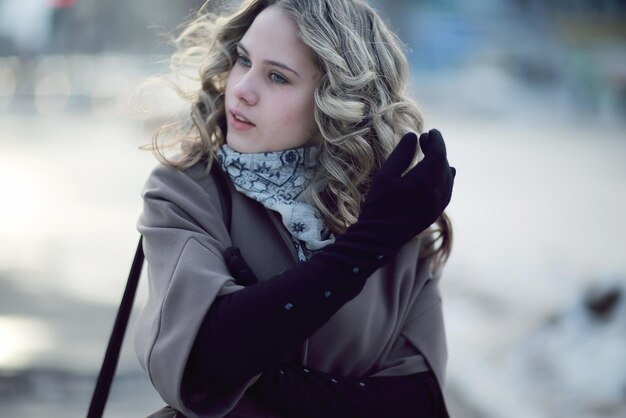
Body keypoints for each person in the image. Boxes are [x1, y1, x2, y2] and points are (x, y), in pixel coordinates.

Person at [134, 0, 456, 417]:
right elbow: (205, 360)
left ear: (335, 98)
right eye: (243, 60)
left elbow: (421, 401)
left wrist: (259, 373)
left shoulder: (392, 214)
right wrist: (363, 250)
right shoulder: (187, 191)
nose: (242, 89)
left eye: (276, 77)